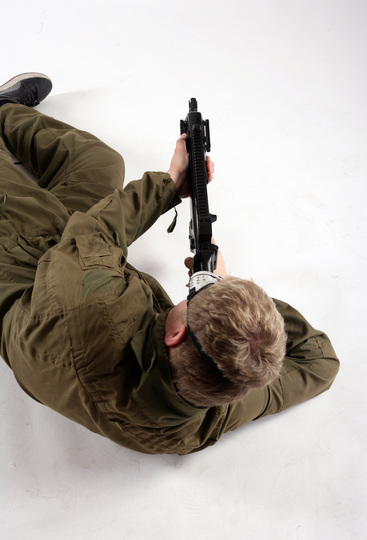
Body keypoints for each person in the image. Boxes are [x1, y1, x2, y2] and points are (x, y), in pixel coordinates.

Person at [0, 73, 339, 455]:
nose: (198, 285)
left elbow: (92, 234)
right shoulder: (202, 414)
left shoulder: (94, 304)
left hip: (22, 273)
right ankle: (6, 111)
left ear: (175, 335)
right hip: (66, 277)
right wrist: (242, 318)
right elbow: (320, 360)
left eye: (195, 293)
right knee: (101, 164)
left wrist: (171, 183)